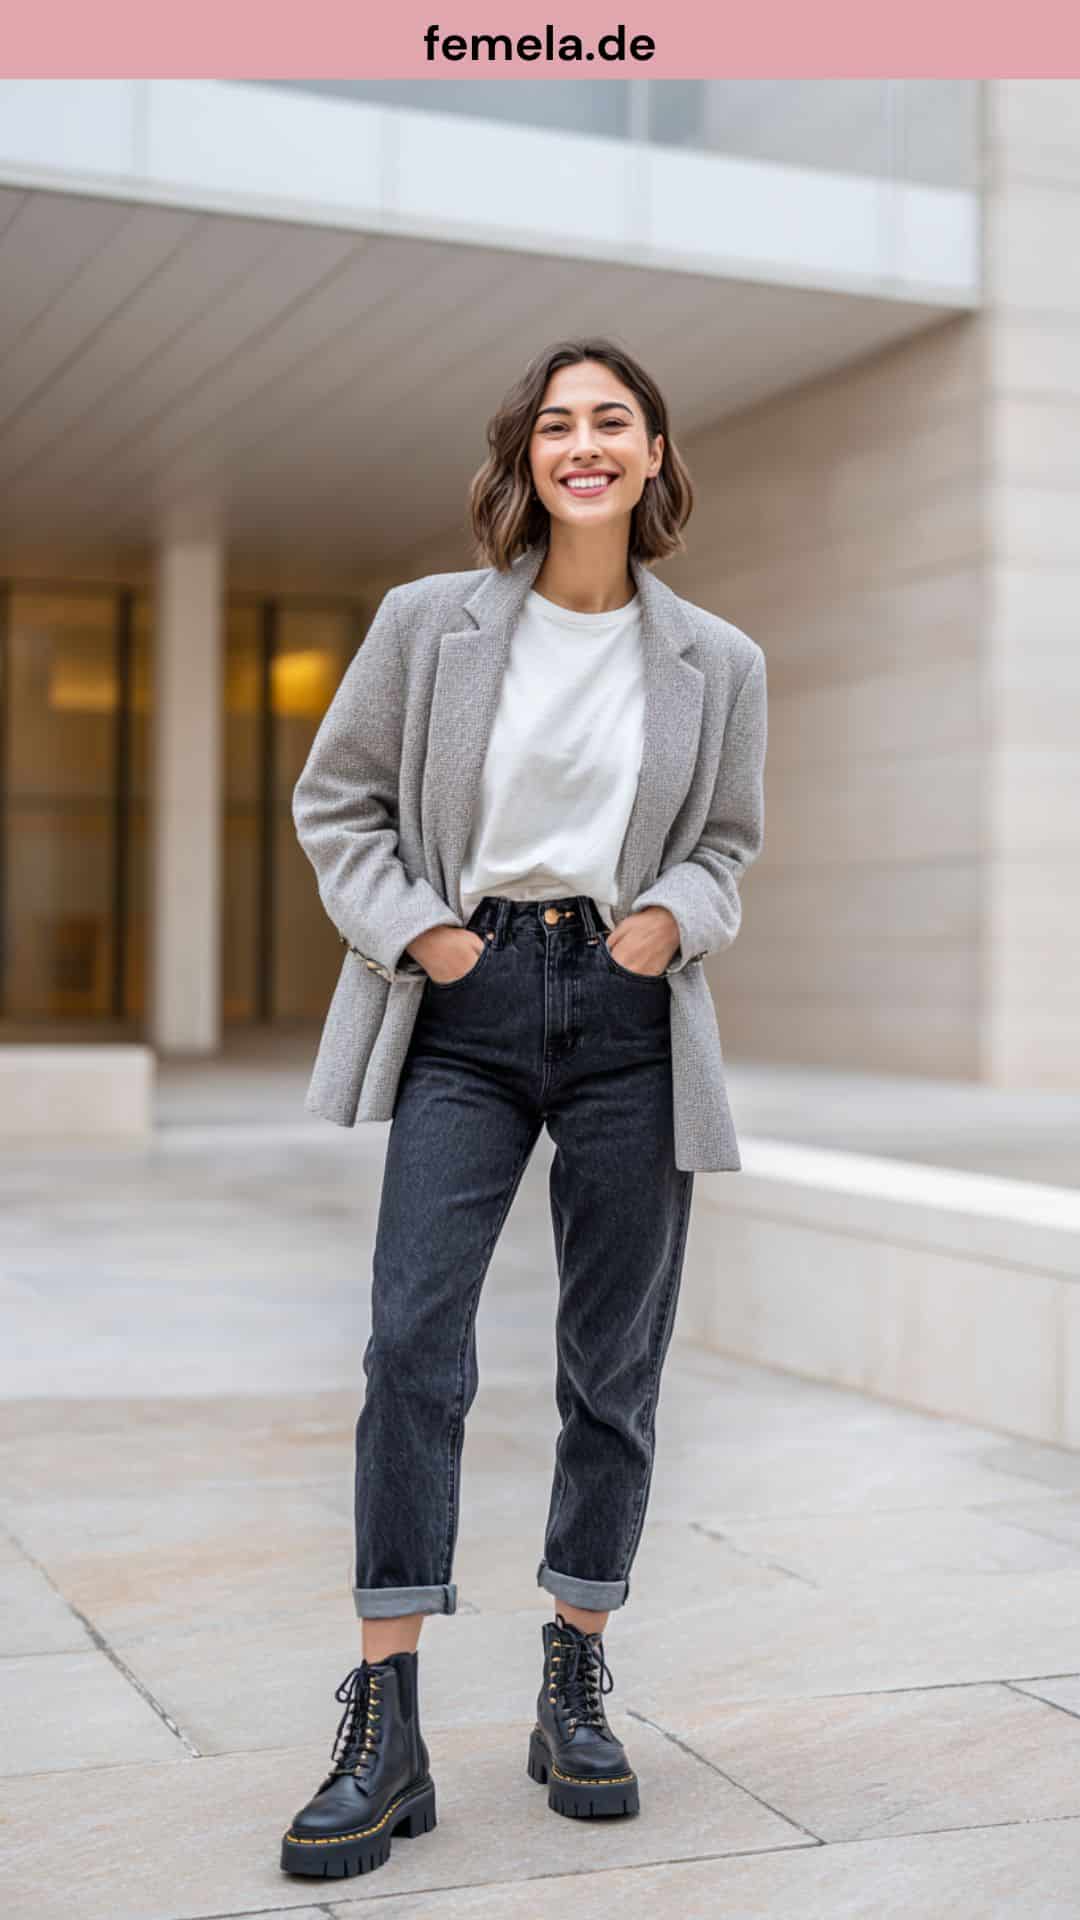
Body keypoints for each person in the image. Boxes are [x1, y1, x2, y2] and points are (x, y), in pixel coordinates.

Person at [280, 337, 768, 1880]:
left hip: (630, 1015)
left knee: (612, 1363)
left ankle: (575, 1678)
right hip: (466, 1003)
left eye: (612, 421)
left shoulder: (720, 661)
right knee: (410, 1343)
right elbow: (337, 802)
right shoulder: (427, 624)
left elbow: (729, 843)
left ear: (655, 453)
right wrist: (428, 937)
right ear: (527, 457)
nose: (585, 443)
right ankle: (388, 1720)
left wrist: (671, 920)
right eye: (558, 423)